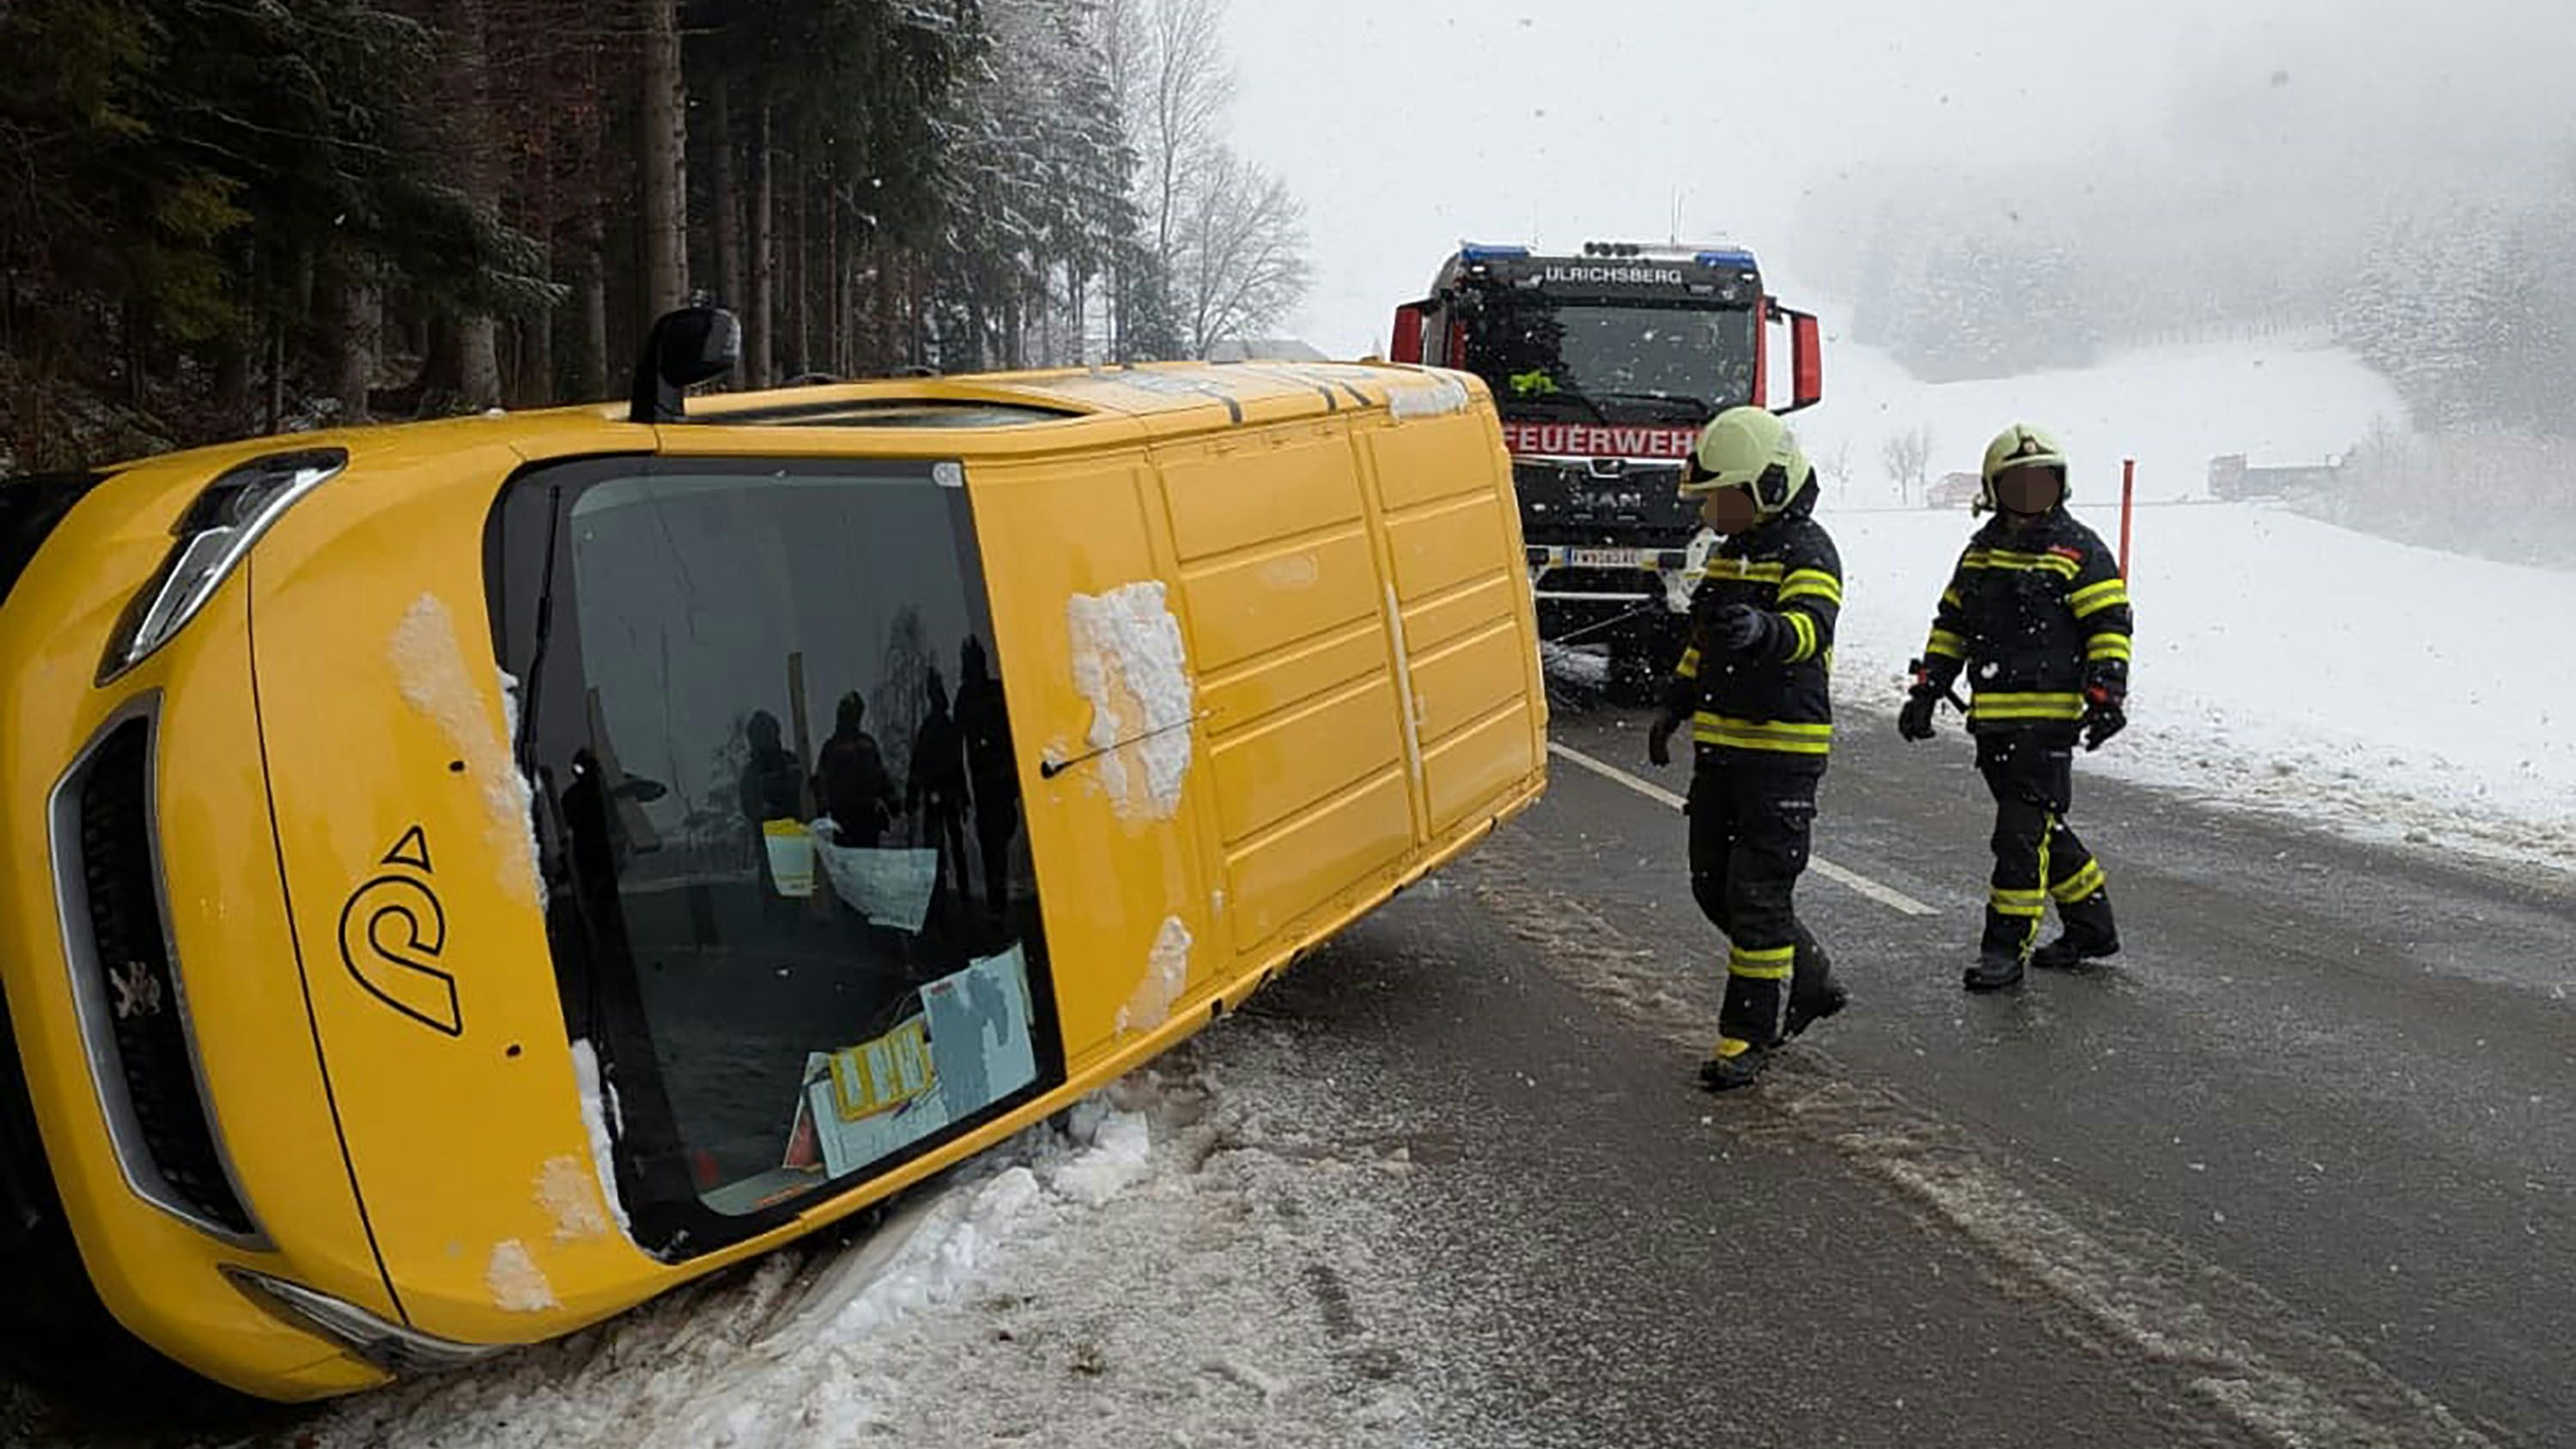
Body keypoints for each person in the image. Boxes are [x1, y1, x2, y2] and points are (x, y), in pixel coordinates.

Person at [1646, 407, 1850, 1091]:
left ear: (1766, 486)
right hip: (1721, 754)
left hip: (1781, 757)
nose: (1709, 510)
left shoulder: (1810, 552)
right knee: (1713, 887)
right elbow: (1702, 643)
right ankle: (1811, 972)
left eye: (1720, 497)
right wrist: (1674, 704)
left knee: (1757, 893)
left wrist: (1763, 630)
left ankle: (1747, 1035)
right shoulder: (1729, 555)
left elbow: (1809, 630)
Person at [1898, 422, 2135, 992]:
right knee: (2041, 827)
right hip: (1994, 724)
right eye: (2019, 483)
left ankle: (2005, 950)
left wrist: (2106, 694)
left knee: (2019, 837)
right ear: (1994, 489)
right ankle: (2091, 926)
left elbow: (2109, 624)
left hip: (2048, 725)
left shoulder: (2080, 550)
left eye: (2042, 481)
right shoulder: (1980, 553)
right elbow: (1952, 624)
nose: (2031, 494)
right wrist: (1928, 688)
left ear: (2061, 485)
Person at [953, 636, 1021, 916]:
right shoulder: (967, 698)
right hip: (986, 785)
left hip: (1004, 781)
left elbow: (1014, 732)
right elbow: (957, 748)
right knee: (992, 845)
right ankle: (997, 903)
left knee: (1000, 841)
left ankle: (999, 901)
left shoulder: (994, 693)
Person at [907, 670, 971, 901]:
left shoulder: (945, 728)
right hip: (939, 796)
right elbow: (918, 766)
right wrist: (912, 796)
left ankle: (958, 892)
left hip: (947, 795)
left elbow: (957, 766)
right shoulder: (933, 729)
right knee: (940, 848)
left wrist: (963, 798)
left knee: (950, 846)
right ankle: (942, 893)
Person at [816, 691, 902, 849]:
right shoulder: (856, 745)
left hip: (861, 818)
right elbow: (821, 781)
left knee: (857, 864)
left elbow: (880, 776)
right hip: (851, 819)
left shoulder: (855, 745)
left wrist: (892, 801)